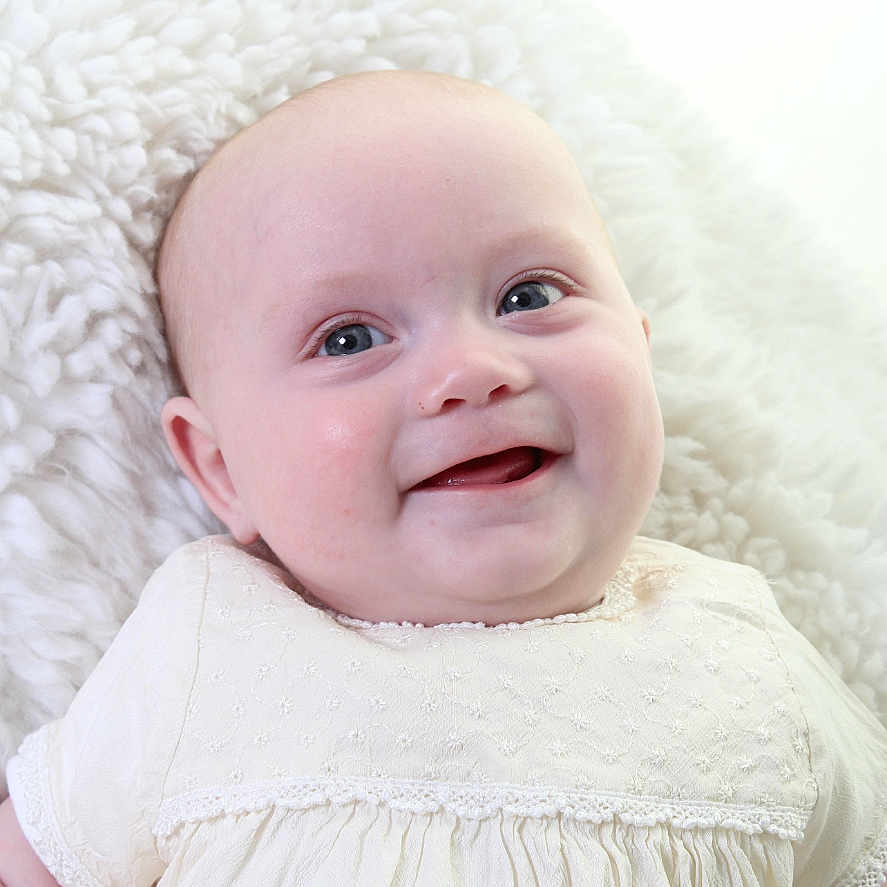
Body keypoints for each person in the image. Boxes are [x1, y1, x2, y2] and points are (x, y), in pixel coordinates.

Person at [1, 69, 885, 887]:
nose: (471, 368)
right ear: (221, 469)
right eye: (349, 338)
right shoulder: (202, 644)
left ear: (641, 356)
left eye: (529, 295)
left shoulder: (745, 651)